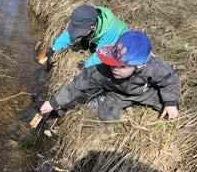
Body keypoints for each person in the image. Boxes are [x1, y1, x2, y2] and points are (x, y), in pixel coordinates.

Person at [40, 31, 180, 121]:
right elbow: (77, 85)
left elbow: (169, 79)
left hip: (143, 92)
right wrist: (53, 103)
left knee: (168, 108)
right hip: (117, 93)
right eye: (113, 63)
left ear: (139, 66)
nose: (115, 69)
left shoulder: (153, 67)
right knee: (106, 116)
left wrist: (171, 103)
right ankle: (102, 96)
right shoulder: (103, 70)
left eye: (123, 66)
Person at [44, 5, 129, 68]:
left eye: (80, 31)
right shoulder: (87, 18)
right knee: (84, 38)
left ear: (92, 27)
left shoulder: (110, 31)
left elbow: (103, 53)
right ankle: (90, 41)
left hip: (118, 40)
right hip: (95, 36)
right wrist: (54, 48)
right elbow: (70, 36)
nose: (77, 33)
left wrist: (87, 65)